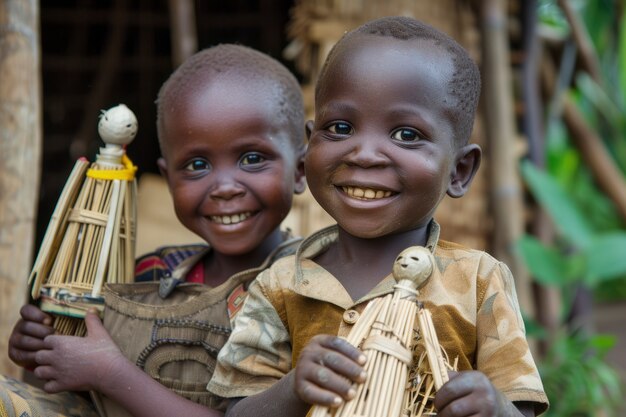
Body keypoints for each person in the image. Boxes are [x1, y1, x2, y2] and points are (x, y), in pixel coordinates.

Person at [207, 16, 549, 417]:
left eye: (406, 134)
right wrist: (292, 390)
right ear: (309, 143)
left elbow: (520, 408)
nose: (365, 154)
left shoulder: (477, 281)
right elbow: (237, 411)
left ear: (459, 171)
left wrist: (495, 407)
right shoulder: (281, 286)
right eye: (340, 127)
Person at [3, 43, 306, 417]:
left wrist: (110, 373)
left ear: (301, 169)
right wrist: (44, 351)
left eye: (252, 159)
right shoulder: (149, 278)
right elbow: (82, 390)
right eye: (197, 165)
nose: (225, 186)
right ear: (168, 178)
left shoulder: (308, 290)